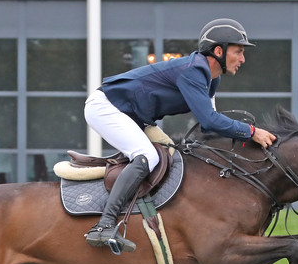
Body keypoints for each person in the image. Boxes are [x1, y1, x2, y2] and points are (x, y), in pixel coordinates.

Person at [83, 18, 277, 252]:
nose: (243, 59)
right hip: (106, 107)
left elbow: (209, 127)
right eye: (238, 52)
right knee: (147, 156)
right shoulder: (194, 71)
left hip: (132, 116)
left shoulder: (211, 78)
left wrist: (243, 142)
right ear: (218, 51)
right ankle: (103, 226)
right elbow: (209, 120)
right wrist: (251, 132)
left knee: (170, 157)